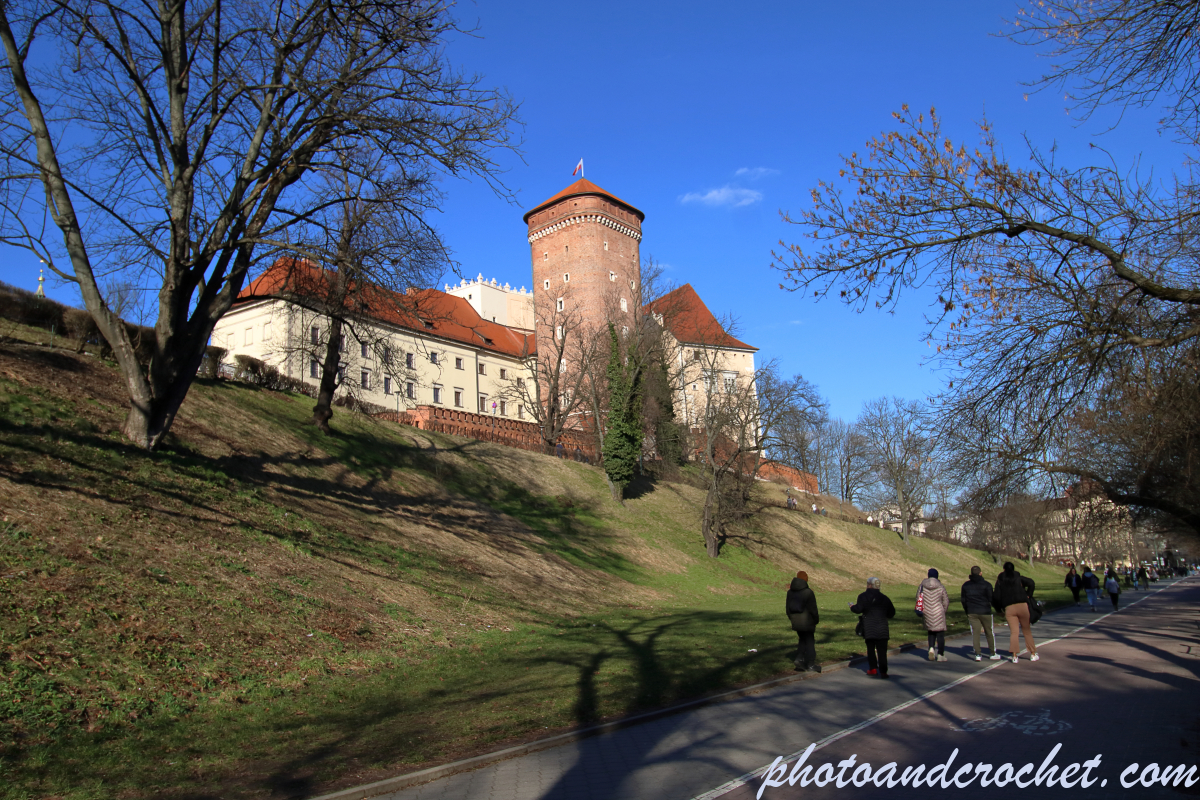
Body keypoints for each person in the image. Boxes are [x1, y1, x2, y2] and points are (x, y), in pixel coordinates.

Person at [850, 577, 896, 678]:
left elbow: (858, 609)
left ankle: (873, 668)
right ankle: (883, 671)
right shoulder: (884, 598)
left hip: (869, 626)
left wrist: (852, 607)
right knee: (882, 650)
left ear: (869, 585)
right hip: (882, 627)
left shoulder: (863, 596)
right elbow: (891, 613)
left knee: (870, 648)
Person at [993, 562, 1038, 663]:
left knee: (1014, 632)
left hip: (1009, 607)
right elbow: (1031, 582)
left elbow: (996, 596)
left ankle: (1014, 655)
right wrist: (1028, 594)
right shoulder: (1018, 578)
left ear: (1004, 569)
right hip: (1022, 605)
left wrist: (999, 609)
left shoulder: (1000, 581)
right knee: (1026, 631)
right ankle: (1032, 653)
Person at [961, 566, 1001, 661]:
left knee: (975, 633)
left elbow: (963, 600)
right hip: (985, 611)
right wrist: (997, 609)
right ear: (980, 573)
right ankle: (992, 652)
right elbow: (991, 599)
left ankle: (978, 654)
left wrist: (967, 610)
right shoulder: (987, 585)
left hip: (972, 611)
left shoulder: (966, 585)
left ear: (971, 574)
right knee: (989, 632)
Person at [786, 570, 821, 672]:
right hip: (807, 621)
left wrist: (792, 619)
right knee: (810, 642)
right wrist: (816, 620)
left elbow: (788, 609)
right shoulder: (808, 592)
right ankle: (810, 664)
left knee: (802, 640)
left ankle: (799, 659)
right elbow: (813, 609)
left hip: (796, 621)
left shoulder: (790, 592)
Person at [918, 568, 951, 662]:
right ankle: (940, 654)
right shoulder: (940, 586)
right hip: (938, 611)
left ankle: (931, 648)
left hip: (927, 611)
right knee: (940, 634)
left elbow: (918, 598)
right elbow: (945, 601)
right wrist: (943, 610)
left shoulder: (922, 586)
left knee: (931, 632)